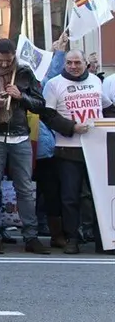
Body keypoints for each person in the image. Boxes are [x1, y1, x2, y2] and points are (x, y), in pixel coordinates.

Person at [0, 38, 49, 254]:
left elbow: (40, 105)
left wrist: (21, 96)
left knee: (24, 188)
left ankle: (31, 236)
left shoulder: (24, 72)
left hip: (20, 135)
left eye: (8, 61)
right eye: (0, 61)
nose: (4, 64)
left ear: (14, 55)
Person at [42, 50, 115, 254]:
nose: (73, 66)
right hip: (68, 149)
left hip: (97, 148)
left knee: (100, 196)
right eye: (69, 62)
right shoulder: (54, 84)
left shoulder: (95, 81)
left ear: (86, 64)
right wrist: (71, 127)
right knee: (70, 197)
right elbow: (48, 116)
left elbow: (107, 108)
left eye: (77, 62)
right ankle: (72, 238)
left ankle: (104, 240)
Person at [35, 33, 69, 248]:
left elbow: (53, 75)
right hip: (21, 147)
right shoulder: (10, 86)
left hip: (45, 150)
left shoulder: (42, 86)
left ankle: (57, 234)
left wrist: (59, 52)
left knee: (52, 191)